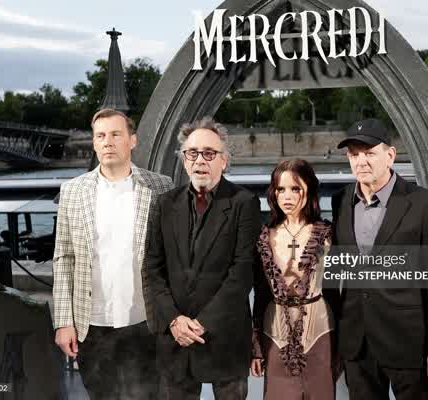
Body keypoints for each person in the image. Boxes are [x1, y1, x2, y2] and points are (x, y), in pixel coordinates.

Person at [52, 108, 174, 399]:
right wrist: (64, 321)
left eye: (116, 134)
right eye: (101, 136)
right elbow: (64, 258)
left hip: (146, 321)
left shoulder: (160, 186)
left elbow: (172, 255)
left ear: (132, 140)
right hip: (91, 323)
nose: (107, 142)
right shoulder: (72, 191)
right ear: (94, 143)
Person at [331, 118, 428, 399]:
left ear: (390, 155)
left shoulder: (425, 205)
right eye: (354, 155)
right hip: (357, 344)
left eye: (369, 153)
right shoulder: (341, 201)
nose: (361, 161)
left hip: (409, 345)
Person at [142, 116, 260, 400]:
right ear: (184, 160)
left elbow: (242, 273)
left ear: (224, 160)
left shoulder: (244, 203)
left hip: (226, 338)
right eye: (192, 153)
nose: (199, 160)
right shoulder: (164, 204)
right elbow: (152, 268)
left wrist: (201, 323)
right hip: (176, 340)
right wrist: (174, 321)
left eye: (209, 153)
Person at [250, 159, 336, 400]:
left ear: (309, 189)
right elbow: (260, 294)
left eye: (295, 188)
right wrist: (256, 347)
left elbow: (340, 291)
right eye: (280, 189)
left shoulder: (328, 234)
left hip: (321, 332)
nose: (287, 196)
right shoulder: (263, 237)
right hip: (274, 335)